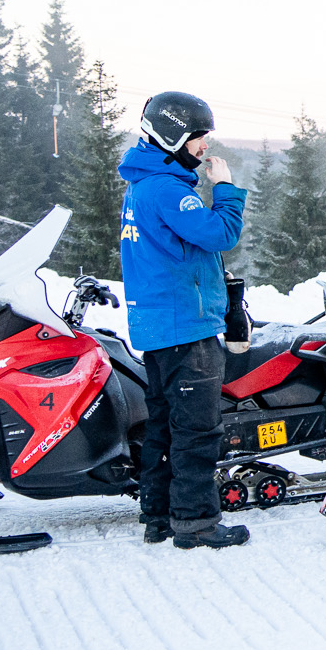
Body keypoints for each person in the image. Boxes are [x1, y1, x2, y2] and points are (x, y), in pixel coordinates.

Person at [118, 91, 250, 549]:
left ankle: (158, 516)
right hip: (185, 328)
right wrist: (227, 189)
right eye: (198, 137)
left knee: (163, 425)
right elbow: (220, 233)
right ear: (173, 135)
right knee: (196, 431)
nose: (204, 147)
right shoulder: (167, 189)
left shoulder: (141, 184)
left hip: (158, 328)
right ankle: (196, 523)